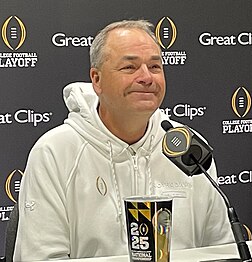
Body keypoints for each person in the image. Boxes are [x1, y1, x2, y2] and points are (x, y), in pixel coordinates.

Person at [14, 19, 234, 261]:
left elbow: (221, 250)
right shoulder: (55, 152)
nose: (146, 77)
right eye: (129, 68)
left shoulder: (187, 147)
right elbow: (42, 257)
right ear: (96, 80)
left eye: (155, 67)